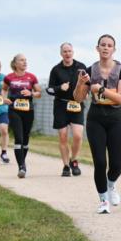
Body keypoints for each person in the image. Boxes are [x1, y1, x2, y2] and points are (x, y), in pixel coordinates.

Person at [74, 34, 121, 214]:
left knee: (116, 165)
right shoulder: (90, 71)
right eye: (102, 45)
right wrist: (80, 84)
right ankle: (103, 200)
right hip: (95, 118)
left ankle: (111, 185)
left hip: (115, 119)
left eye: (109, 45)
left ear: (114, 49)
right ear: (97, 48)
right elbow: (78, 98)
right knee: (99, 161)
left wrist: (102, 89)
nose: (106, 48)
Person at [47, 43, 87, 177]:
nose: (67, 54)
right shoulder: (56, 70)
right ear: (61, 53)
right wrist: (59, 88)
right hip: (61, 106)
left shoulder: (81, 67)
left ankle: (74, 160)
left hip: (77, 104)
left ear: (73, 52)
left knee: (77, 135)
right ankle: (65, 166)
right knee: (63, 137)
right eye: (65, 51)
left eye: (69, 51)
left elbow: (88, 84)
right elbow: (49, 89)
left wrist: (86, 93)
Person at [4, 54, 41, 178]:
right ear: (15, 63)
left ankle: (22, 162)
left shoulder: (32, 77)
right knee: (18, 138)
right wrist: (4, 98)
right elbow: (3, 89)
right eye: (21, 60)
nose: (25, 62)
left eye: (26, 60)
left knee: (25, 139)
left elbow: (39, 93)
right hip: (14, 110)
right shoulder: (9, 77)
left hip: (28, 110)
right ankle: (22, 167)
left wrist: (31, 93)